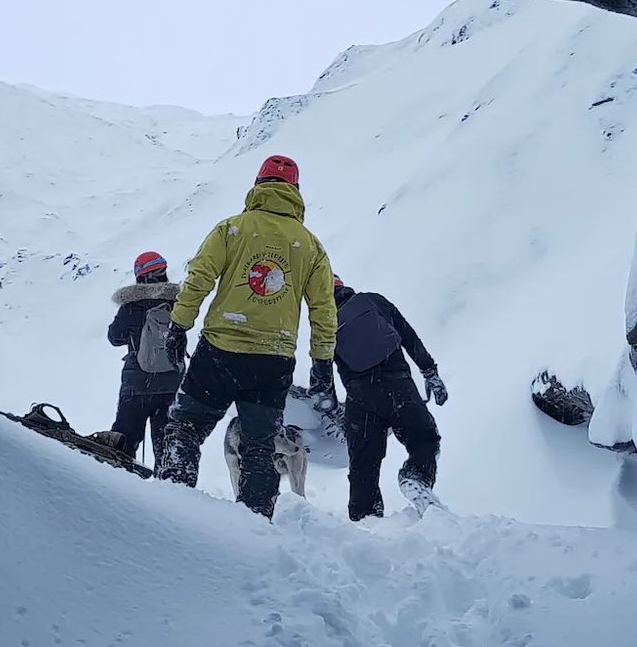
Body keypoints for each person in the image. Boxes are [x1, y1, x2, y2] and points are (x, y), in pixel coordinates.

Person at [157, 154, 338, 517]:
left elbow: (199, 278)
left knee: (185, 429)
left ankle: (168, 511)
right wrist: (322, 363)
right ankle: (252, 529)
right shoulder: (310, 246)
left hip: (220, 352)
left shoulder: (232, 229)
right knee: (260, 447)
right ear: (296, 192)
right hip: (273, 361)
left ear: (259, 185)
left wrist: (179, 325)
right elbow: (323, 309)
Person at [329, 276, 449, 521]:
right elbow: (408, 337)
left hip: (360, 399)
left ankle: (365, 523)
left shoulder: (324, 323)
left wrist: (330, 406)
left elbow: (320, 370)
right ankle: (416, 477)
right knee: (424, 439)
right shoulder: (373, 301)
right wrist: (430, 372)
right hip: (398, 387)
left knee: (363, 465)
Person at [97, 251, 184, 467]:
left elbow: (114, 337)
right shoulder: (178, 304)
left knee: (124, 440)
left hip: (137, 383)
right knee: (167, 446)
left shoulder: (131, 306)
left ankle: (121, 486)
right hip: (171, 383)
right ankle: (169, 491)